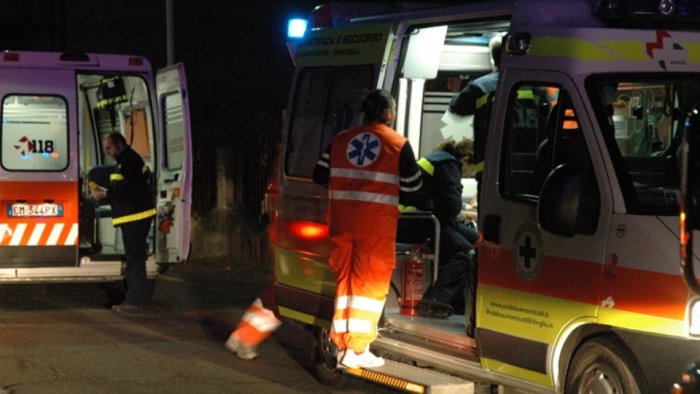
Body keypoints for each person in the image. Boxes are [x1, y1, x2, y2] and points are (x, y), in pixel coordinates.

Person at [313, 89, 422, 369]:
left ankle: (343, 343)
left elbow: (319, 175)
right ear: (387, 114)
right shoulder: (397, 144)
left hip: (342, 223)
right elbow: (413, 189)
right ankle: (357, 350)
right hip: (375, 226)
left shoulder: (340, 140)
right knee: (367, 288)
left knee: (346, 285)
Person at [414, 139, 478, 335]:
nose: (471, 175)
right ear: (465, 160)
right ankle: (435, 301)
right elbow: (452, 205)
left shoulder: (441, 159)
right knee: (467, 252)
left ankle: (458, 301)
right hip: (421, 222)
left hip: (428, 218)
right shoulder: (448, 164)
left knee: (480, 243)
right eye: (472, 170)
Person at [91, 132, 156, 312]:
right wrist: (106, 190)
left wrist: (105, 194)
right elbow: (123, 187)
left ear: (119, 144)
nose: (108, 151)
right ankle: (134, 297)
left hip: (135, 218)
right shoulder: (126, 161)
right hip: (133, 218)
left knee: (135, 260)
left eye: (109, 147)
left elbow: (128, 189)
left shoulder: (130, 162)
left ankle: (135, 301)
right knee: (133, 259)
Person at [448, 32, 505, 192]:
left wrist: (459, 87)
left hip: (489, 169)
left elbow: (456, 107)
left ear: (494, 60)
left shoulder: (481, 86)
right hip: (525, 168)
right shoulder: (534, 86)